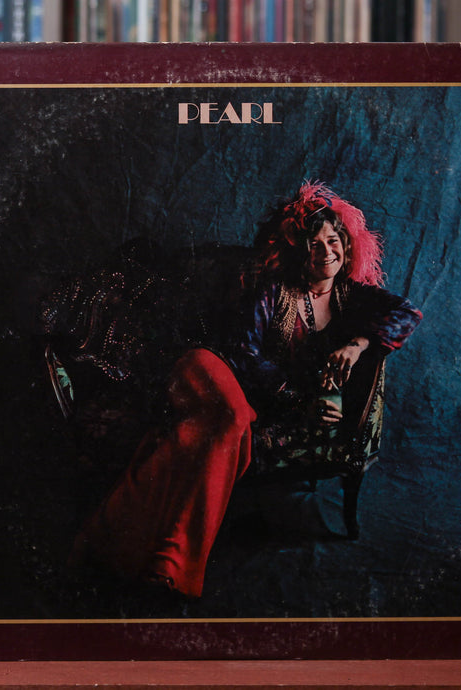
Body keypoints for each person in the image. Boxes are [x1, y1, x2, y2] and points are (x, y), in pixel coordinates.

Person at [69, 181, 422, 600]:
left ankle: (118, 545)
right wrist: (300, 399)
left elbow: (406, 312)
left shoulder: (353, 298)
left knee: (211, 433)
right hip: (205, 366)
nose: (326, 251)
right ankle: (167, 564)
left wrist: (358, 343)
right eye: (314, 244)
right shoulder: (275, 291)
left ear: (346, 246)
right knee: (235, 418)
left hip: (245, 397)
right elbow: (245, 356)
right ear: (299, 251)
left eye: (333, 241)